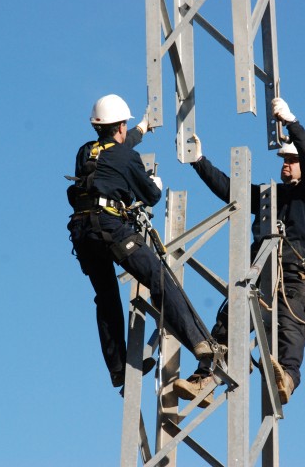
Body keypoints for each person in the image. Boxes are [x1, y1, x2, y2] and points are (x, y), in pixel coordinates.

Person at [172, 97, 305, 405]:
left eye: (292, 159)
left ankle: (285, 378)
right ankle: (205, 378)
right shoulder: (272, 196)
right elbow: (232, 190)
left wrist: (291, 122)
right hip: (259, 277)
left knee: (290, 335)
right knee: (227, 325)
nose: (286, 163)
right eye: (284, 159)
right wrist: (199, 161)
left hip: (296, 282)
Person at [67, 94, 219, 388]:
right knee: (158, 278)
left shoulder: (85, 152)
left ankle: (118, 370)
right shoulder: (126, 157)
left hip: (84, 235)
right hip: (111, 229)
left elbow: (115, 150)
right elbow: (150, 195)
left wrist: (142, 129)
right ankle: (199, 342)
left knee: (107, 298)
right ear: (120, 125)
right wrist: (155, 184)